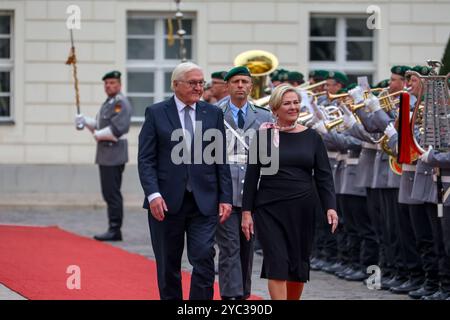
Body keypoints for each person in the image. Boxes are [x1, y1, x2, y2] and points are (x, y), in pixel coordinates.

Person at [137, 62, 233, 300]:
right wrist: (153, 195)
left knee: (203, 257)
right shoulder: (156, 113)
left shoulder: (212, 113)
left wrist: (226, 197)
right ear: (176, 84)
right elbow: (146, 159)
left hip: (205, 200)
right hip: (166, 203)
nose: (199, 87)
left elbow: (220, 157)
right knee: (168, 263)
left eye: (201, 83)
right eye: (193, 83)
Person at [241, 84, 338, 300]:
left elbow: (323, 176)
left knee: (298, 263)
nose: (293, 107)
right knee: (277, 260)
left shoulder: (312, 137)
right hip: (269, 208)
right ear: (275, 109)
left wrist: (330, 206)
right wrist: (246, 212)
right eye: (287, 103)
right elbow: (251, 177)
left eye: (296, 102)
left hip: (302, 208)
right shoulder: (263, 136)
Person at [216, 66, 273, 300]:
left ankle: (243, 294)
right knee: (229, 246)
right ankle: (231, 296)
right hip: (225, 190)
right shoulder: (214, 113)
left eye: (244, 82)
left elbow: (269, 156)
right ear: (228, 86)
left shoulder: (264, 116)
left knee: (247, 245)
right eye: (236, 81)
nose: (240, 86)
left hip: (252, 191)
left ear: (251, 86)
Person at [75, 70, 132, 241]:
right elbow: (100, 125)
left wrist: (97, 135)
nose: (108, 86)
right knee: (108, 192)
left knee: (112, 193)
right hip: (106, 153)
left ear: (119, 84)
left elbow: (117, 129)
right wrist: (84, 121)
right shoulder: (108, 103)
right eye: (106, 83)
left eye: (112, 83)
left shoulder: (121, 103)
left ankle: (115, 229)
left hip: (113, 153)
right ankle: (113, 227)